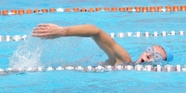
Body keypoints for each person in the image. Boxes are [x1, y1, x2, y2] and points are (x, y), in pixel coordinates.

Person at [31, 23, 173, 66]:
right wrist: (62, 31)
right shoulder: (124, 60)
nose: (149, 55)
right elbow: (96, 31)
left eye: (157, 56)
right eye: (149, 50)